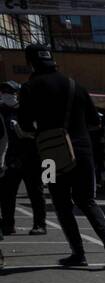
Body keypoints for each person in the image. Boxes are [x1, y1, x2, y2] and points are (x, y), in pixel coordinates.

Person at [18, 44, 105, 268]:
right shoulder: (76, 85)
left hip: (49, 154)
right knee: (87, 200)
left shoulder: (29, 88)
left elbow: (25, 124)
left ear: (30, 62)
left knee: (60, 202)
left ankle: (78, 253)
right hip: (82, 150)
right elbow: (95, 122)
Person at [0, 81, 48, 236]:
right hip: (10, 158)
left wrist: (24, 133)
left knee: (35, 192)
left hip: (31, 157)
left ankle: (39, 224)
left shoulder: (27, 110)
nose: (8, 94)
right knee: (7, 194)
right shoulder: (1, 110)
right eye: (5, 91)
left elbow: (38, 132)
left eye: (11, 92)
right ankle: (8, 225)